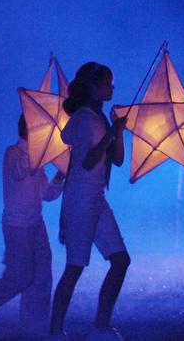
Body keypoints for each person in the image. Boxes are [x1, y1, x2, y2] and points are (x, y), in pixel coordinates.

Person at [0, 115, 64, 338]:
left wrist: (59, 175)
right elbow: (20, 171)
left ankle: (33, 327)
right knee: (19, 277)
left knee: (42, 276)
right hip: (17, 226)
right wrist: (41, 152)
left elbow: (46, 195)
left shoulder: (37, 158)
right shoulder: (13, 153)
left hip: (36, 224)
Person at [49, 62, 130, 340]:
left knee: (120, 260)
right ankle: (55, 332)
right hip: (81, 199)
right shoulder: (85, 118)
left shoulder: (99, 118)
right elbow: (87, 161)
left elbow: (117, 160)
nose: (112, 87)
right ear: (94, 88)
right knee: (75, 267)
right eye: (108, 83)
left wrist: (118, 130)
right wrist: (112, 130)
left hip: (96, 198)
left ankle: (102, 326)